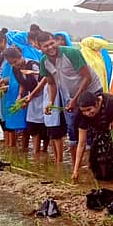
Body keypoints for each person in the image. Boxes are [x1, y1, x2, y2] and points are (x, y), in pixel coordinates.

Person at [37, 33, 103, 163]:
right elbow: (51, 83)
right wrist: (50, 102)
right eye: (46, 46)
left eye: (52, 43)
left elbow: (87, 77)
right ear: (40, 48)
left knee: (94, 129)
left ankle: (94, 164)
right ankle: (76, 166)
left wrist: (75, 100)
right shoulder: (44, 62)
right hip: (72, 96)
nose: (51, 47)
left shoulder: (71, 53)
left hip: (92, 91)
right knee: (73, 131)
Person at [72, 91, 113, 181]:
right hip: (99, 127)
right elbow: (81, 143)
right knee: (98, 156)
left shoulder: (111, 102)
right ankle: (102, 181)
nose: (87, 113)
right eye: (84, 111)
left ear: (97, 103)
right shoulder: (81, 116)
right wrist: (76, 170)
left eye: (89, 109)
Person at [0, 47, 32, 147]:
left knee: (25, 124)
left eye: (14, 62)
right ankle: (15, 148)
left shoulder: (30, 64)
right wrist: (4, 81)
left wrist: (22, 95)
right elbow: (17, 80)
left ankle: (25, 147)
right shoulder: (14, 67)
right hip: (15, 94)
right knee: (13, 122)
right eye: (11, 63)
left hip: (28, 95)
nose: (13, 65)